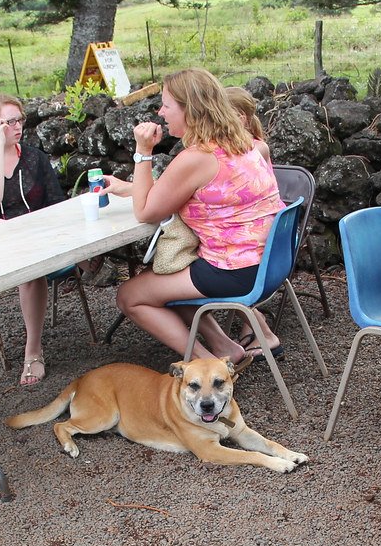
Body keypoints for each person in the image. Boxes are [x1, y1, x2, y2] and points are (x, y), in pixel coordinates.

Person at [103, 69, 284, 366]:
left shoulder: (197, 157)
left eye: (166, 105)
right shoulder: (245, 143)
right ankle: (225, 347)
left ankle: (208, 362)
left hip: (234, 271)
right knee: (176, 277)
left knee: (130, 294)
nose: (161, 113)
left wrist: (143, 151)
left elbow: (145, 211)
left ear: (191, 110)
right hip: (269, 263)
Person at [0, 94, 66, 386]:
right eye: (7, 122)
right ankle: (30, 245)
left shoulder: (35, 157)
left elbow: (57, 204)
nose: (16, 127)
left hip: (37, 244)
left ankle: (33, 350)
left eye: (19, 120)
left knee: (31, 269)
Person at [225, 86, 284, 361]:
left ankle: (262, 332)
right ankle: (252, 326)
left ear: (239, 117)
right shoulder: (248, 146)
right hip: (268, 240)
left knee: (219, 263)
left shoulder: (253, 149)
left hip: (263, 245)